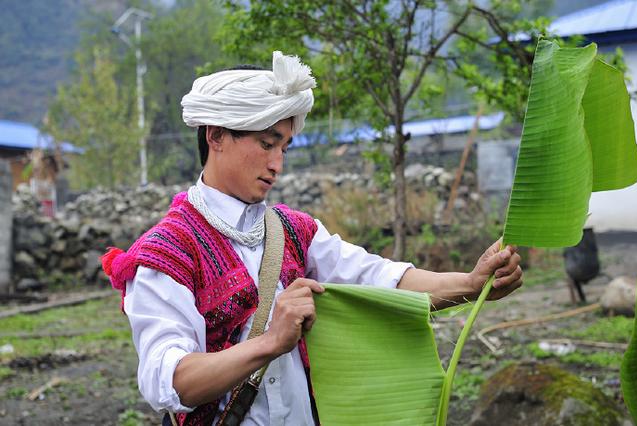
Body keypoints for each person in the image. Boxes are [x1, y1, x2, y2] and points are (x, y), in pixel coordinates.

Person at [102, 51, 522, 426]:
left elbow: (378, 279)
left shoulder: (292, 230)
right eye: (267, 144)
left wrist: (470, 284)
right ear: (216, 137)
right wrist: (270, 343)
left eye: (284, 146)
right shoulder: (167, 252)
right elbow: (169, 380)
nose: (277, 163)